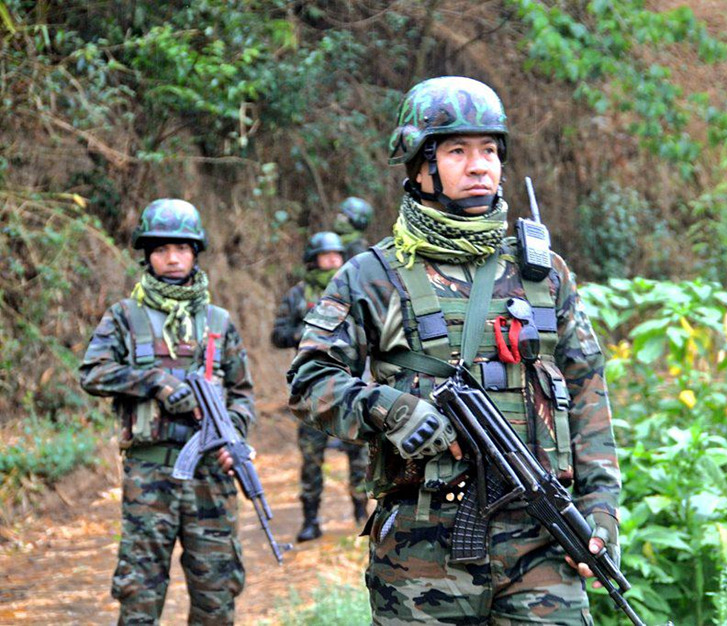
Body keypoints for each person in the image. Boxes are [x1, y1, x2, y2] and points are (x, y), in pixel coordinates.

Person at [287, 76, 621, 624]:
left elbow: (588, 390)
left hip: (541, 542)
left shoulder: (543, 273)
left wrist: (602, 507)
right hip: (422, 550)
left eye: (489, 150)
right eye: (457, 151)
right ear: (420, 165)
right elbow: (309, 380)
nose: (479, 165)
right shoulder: (374, 276)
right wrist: (391, 410)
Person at [80, 198, 255, 625]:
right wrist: (155, 383)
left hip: (211, 476)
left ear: (196, 252)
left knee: (216, 596)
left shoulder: (218, 322)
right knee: (139, 594)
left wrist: (234, 435)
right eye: (161, 249)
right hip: (149, 476)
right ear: (148, 255)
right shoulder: (126, 316)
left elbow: (242, 393)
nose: (172, 257)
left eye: (181, 248)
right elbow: (92, 372)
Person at [271, 231, 369, 542]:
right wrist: (310, 329)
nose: (333, 261)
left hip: (352, 389)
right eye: (327, 256)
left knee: (360, 457)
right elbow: (278, 335)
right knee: (311, 460)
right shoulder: (297, 295)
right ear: (313, 259)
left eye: (337, 256)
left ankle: (361, 514)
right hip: (312, 392)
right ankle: (310, 520)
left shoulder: (354, 291)